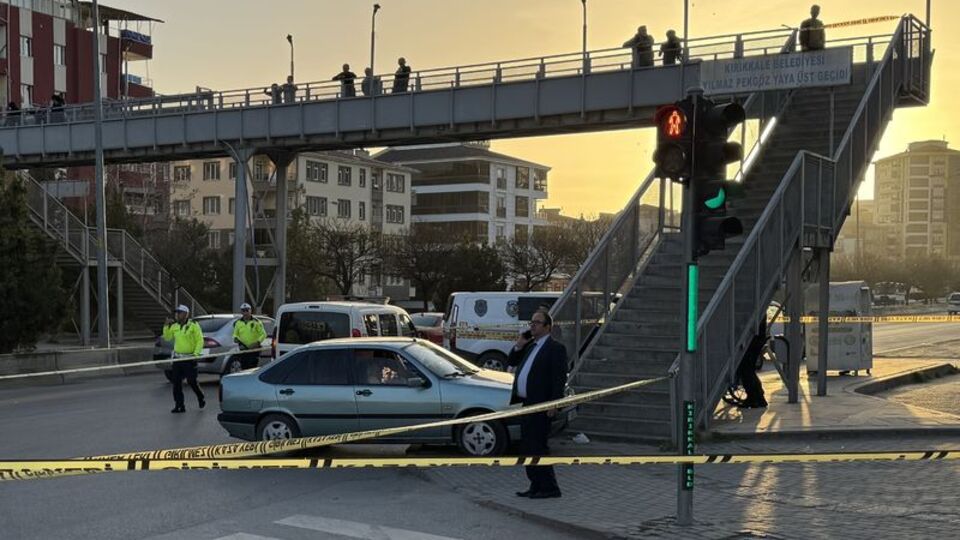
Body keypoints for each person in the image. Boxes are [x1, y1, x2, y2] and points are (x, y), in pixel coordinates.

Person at [507, 309, 567, 499]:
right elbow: (512, 360)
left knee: (538, 446)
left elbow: (558, 379)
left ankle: (549, 487)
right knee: (527, 447)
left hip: (542, 405)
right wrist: (519, 345)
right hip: (527, 403)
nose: (532, 326)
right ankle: (535, 484)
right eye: (531, 322)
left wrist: (554, 404)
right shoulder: (530, 345)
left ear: (547, 327)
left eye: (537, 322)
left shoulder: (555, 348)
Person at [162, 305, 206, 413]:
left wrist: (196, 354)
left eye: (180, 313)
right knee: (176, 383)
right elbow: (167, 337)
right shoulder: (175, 326)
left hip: (190, 358)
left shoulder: (193, 325)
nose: (177, 315)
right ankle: (179, 405)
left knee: (192, 381)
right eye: (177, 313)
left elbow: (199, 340)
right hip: (178, 359)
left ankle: (200, 397)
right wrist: (166, 326)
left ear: (186, 314)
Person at [736, 319, 768, 408]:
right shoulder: (760, 313)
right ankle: (759, 397)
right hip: (757, 340)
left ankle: (753, 398)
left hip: (753, 342)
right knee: (749, 369)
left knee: (746, 370)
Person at [232, 303, 267, 370]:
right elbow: (235, 334)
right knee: (244, 367)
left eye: (247, 310)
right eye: (243, 310)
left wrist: (257, 342)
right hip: (243, 349)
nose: (245, 312)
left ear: (250, 311)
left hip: (254, 349)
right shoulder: (238, 322)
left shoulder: (256, 322)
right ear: (241, 312)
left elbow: (263, 334)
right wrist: (236, 338)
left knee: (253, 367)